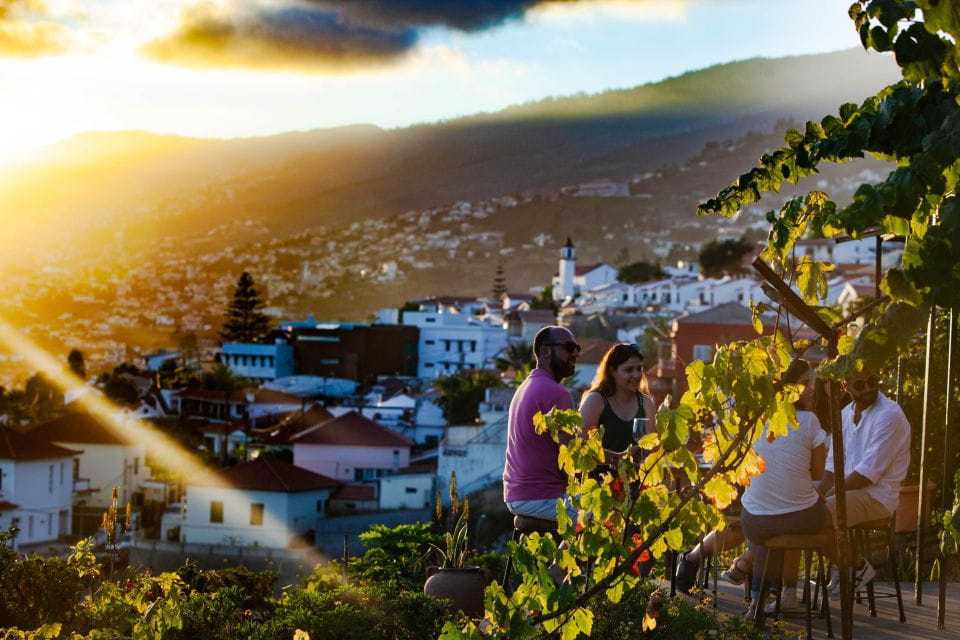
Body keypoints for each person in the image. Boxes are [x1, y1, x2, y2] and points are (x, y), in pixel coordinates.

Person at [740, 361, 828, 617]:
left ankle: (756, 602)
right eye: (805, 383)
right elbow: (819, 474)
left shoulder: (758, 418)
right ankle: (851, 572)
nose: (811, 389)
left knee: (769, 532)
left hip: (753, 521)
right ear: (786, 387)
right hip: (800, 517)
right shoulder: (809, 420)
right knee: (825, 520)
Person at [817, 368, 911, 593]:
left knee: (813, 516)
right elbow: (831, 468)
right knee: (792, 501)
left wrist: (822, 500)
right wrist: (816, 495)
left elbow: (866, 475)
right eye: (860, 385)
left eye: (873, 381)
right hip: (850, 493)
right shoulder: (845, 415)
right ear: (845, 387)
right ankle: (847, 567)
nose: (869, 388)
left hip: (876, 497)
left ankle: (855, 566)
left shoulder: (890, 415)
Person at [503, 325, 580, 521]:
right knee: (609, 521)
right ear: (545, 352)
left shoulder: (526, 386)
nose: (576, 354)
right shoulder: (558, 394)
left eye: (577, 348)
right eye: (569, 347)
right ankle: (563, 552)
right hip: (543, 496)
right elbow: (568, 460)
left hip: (518, 495)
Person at [578, 343, 657, 463]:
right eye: (629, 369)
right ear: (612, 372)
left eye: (639, 369)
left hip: (637, 480)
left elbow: (654, 445)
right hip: (600, 480)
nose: (636, 375)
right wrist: (622, 457)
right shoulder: (595, 401)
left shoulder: (646, 403)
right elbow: (581, 447)